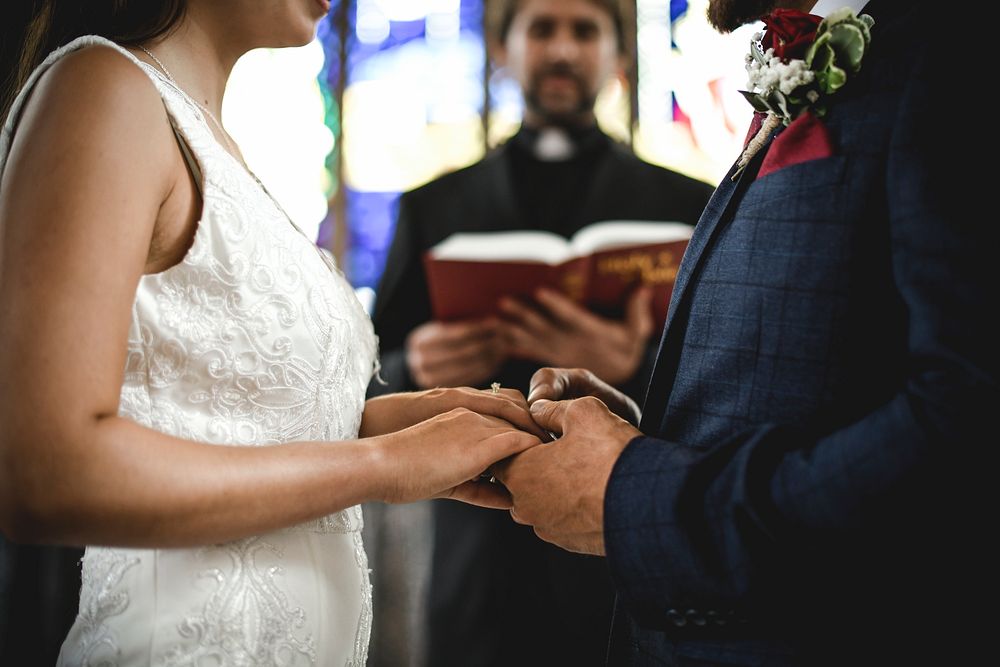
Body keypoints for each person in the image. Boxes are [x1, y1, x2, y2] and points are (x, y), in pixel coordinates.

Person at [0, 2, 545, 664]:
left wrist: (396, 424)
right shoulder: (102, 87)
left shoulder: (208, 135)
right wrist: (383, 463)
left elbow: (211, 417)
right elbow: (43, 474)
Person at [494, 0, 994, 665]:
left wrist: (633, 490)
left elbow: (965, 426)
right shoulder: (850, 49)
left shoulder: (958, 45)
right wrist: (646, 431)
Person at [370, 0, 714, 663]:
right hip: (478, 550)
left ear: (619, 57)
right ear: (504, 49)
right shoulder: (436, 205)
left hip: (622, 543)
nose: (562, 50)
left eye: (585, 31)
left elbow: (717, 382)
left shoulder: (685, 203)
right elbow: (365, 371)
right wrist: (416, 360)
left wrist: (633, 360)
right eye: (542, 29)